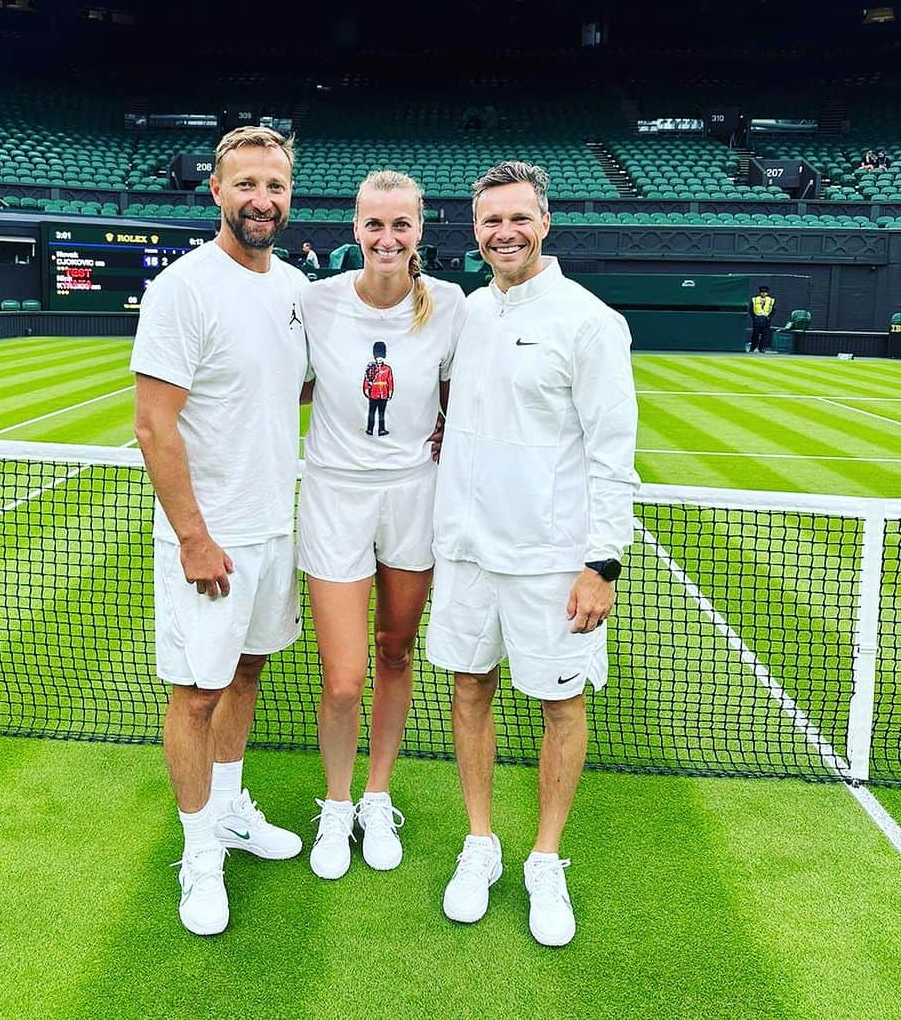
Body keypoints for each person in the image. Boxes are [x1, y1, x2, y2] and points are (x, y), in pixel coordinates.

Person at [426, 160, 638, 948]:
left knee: (561, 705)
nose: (504, 231)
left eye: (518, 217)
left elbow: (615, 453)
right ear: (475, 229)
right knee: (468, 690)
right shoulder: (470, 312)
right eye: (490, 220)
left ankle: (544, 859)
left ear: (544, 222)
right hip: (467, 554)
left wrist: (602, 561)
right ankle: (480, 843)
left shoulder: (590, 321)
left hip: (553, 560)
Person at [131, 125, 309, 937]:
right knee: (197, 692)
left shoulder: (294, 288)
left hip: (276, 529)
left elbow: (287, 395)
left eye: (273, 185)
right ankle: (200, 854)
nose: (260, 199)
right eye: (245, 184)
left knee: (246, 676)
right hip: (212, 538)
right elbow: (153, 425)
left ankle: (231, 811)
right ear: (216, 190)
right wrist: (195, 537)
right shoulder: (183, 288)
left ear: (289, 193)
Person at [298, 170, 467, 880]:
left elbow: (466, 394)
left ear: (419, 230)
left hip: (414, 498)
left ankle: (375, 795)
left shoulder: (453, 306)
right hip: (334, 496)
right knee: (344, 678)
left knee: (396, 654)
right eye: (375, 224)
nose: (387, 238)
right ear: (356, 228)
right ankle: (335, 804)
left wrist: (447, 430)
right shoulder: (315, 302)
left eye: (401, 225)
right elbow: (286, 383)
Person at [749, 284, 775, 353]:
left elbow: (773, 310)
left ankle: (762, 348)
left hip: (766, 319)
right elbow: (751, 309)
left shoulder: (771, 300)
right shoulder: (755, 299)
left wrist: (769, 317)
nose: (763, 293)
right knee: (755, 334)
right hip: (757, 318)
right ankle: (753, 347)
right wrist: (754, 317)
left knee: (764, 334)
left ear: (767, 293)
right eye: (762, 292)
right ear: (760, 292)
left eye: (765, 292)